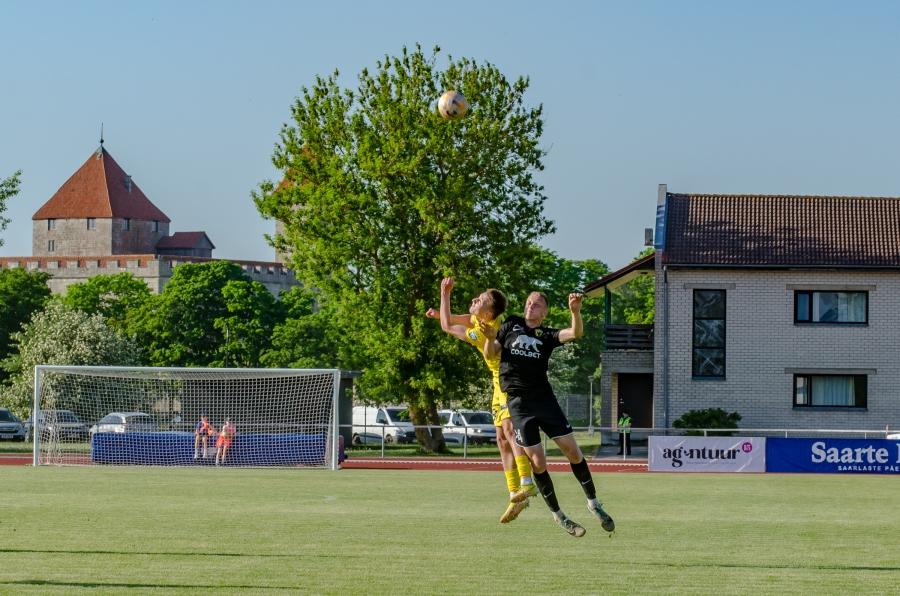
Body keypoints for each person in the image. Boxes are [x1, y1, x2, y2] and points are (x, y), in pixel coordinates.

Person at [483, 291, 615, 538]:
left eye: (537, 304)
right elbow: (491, 353)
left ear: (544, 312)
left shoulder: (546, 335)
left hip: (544, 400)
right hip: (518, 404)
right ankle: (559, 516)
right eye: (528, 302)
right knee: (539, 463)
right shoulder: (511, 323)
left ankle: (594, 504)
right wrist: (490, 338)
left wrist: (575, 312)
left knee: (573, 452)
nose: (530, 306)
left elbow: (575, 333)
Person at [426, 278, 534, 524]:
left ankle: (527, 482)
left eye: (480, 299)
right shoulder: (479, 318)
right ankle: (514, 495)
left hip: (509, 380)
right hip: (497, 384)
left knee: (508, 429)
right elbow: (452, 318)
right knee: (500, 439)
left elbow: (448, 324)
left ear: (488, 313)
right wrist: (438, 313)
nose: (475, 298)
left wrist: (445, 293)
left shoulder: (482, 330)